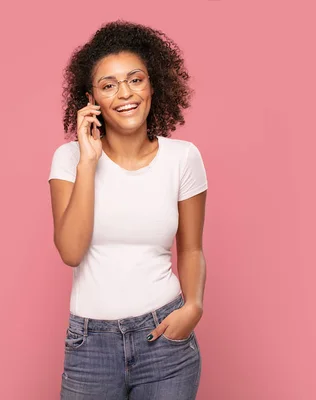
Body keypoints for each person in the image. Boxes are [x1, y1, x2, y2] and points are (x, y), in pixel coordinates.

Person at [48, 20, 208, 399]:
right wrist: (88, 162)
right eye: (109, 85)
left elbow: (191, 249)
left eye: (135, 79)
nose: (125, 93)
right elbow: (71, 252)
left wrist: (194, 307)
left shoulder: (183, 158)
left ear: (153, 84)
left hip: (164, 339)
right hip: (91, 345)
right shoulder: (69, 159)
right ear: (91, 99)